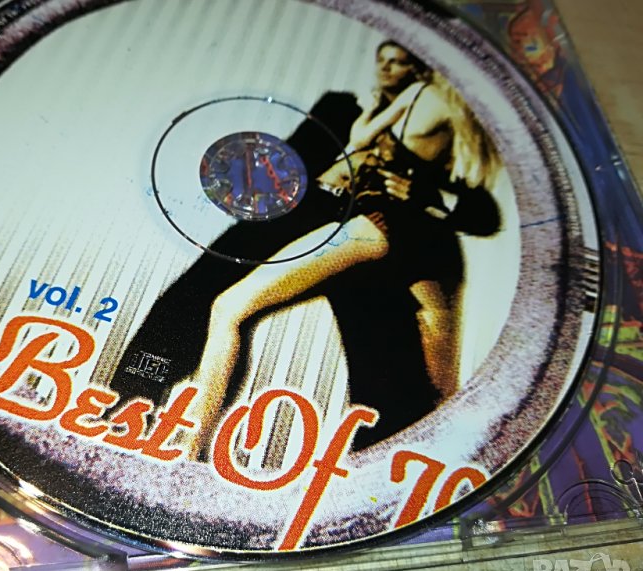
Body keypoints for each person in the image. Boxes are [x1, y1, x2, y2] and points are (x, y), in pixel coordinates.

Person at [109, 41, 500, 458]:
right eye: (382, 61)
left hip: (385, 234)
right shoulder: (348, 109)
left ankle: (403, 457)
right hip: (338, 226)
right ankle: (147, 416)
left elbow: (480, 211)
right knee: (213, 303)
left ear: (419, 69)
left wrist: (420, 193)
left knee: (418, 375)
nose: (387, 69)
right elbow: (284, 173)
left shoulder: (427, 108)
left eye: (399, 62)